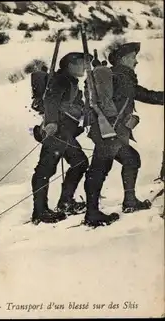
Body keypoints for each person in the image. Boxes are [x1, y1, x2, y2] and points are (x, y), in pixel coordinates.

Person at [84, 42, 164, 227]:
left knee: (115, 163)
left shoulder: (116, 76)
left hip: (105, 130)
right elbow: (142, 94)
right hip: (109, 132)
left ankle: (123, 203)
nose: (136, 61)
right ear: (123, 59)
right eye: (132, 57)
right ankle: (96, 212)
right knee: (108, 166)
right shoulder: (122, 76)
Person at [30, 52, 92, 224]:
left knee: (79, 163)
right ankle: (40, 211)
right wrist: (51, 122)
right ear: (70, 65)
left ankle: (65, 202)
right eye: (81, 63)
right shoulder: (61, 80)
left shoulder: (70, 81)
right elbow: (51, 101)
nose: (85, 67)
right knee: (45, 169)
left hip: (64, 132)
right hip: (57, 131)